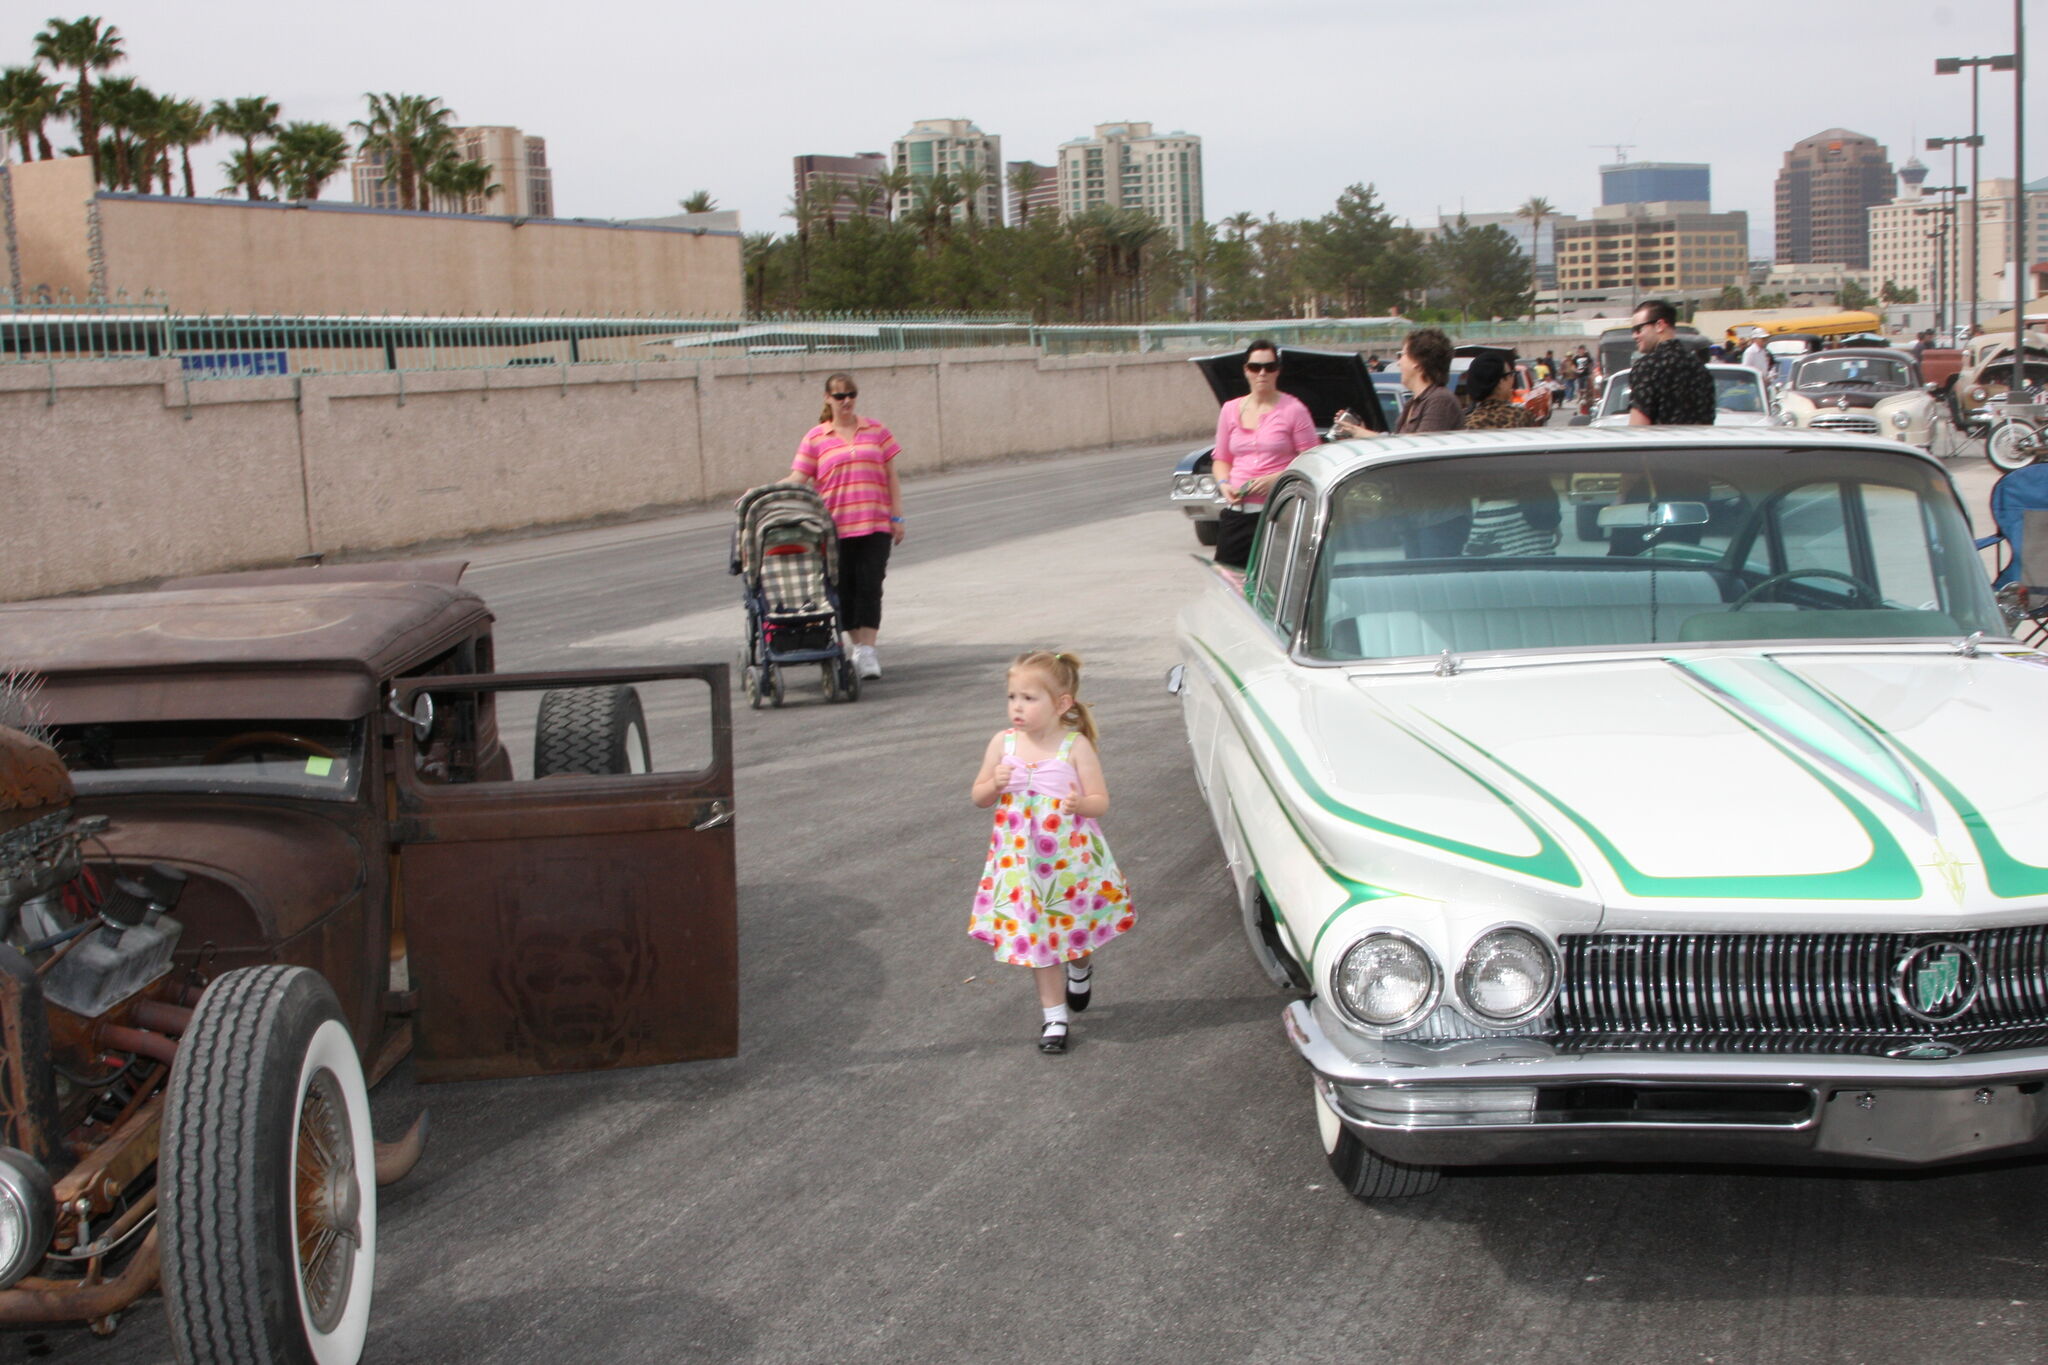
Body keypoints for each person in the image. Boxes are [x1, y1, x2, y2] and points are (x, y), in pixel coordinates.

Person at [968, 651, 1132, 1055]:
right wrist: (996, 783)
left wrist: (1081, 805)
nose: (1017, 707)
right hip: (1021, 866)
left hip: (1069, 864)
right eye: (1012, 697)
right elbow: (978, 796)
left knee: (1074, 930)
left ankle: (1081, 967)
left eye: (1029, 698)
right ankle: (1054, 1018)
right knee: (1041, 941)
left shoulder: (1074, 746)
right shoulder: (1003, 744)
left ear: (1061, 704)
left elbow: (1100, 800)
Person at [791, 373, 904, 679]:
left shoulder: (877, 430)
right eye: (840, 396)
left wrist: (897, 516)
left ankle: (868, 651)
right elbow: (798, 479)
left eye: (851, 394)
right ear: (827, 398)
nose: (847, 401)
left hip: (874, 523)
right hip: (834, 528)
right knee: (845, 590)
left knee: (871, 585)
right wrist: (760, 493)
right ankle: (857, 645)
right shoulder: (815, 438)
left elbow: (891, 475)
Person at [1210, 340, 1317, 568]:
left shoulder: (1294, 410)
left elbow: (1312, 460)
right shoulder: (1230, 409)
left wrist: (1277, 479)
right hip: (1238, 512)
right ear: (1245, 369)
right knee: (1228, 580)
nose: (1262, 373)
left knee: (1274, 585)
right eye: (1255, 367)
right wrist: (1223, 484)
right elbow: (1221, 459)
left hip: (1278, 513)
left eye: (1269, 367)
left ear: (1278, 371)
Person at [1334, 327, 1463, 437]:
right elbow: (1399, 444)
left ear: (1417, 363)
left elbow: (1417, 452)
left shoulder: (1441, 400)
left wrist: (1362, 434)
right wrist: (1362, 430)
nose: (1399, 362)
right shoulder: (1412, 404)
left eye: (1403, 355)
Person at [1625, 299, 1716, 425]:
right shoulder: (1700, 368)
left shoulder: (1647, 367)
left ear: (1659, 325)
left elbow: (1638, 428)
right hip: (1697, 443)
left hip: (1659, 443)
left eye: (1638, 329)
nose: (1634, 336)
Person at [1460, 352, 1540, 428]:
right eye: (1511, 374)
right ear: (1500, 382)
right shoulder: (1520, 417)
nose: (1512, 379)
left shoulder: (1465, 423)